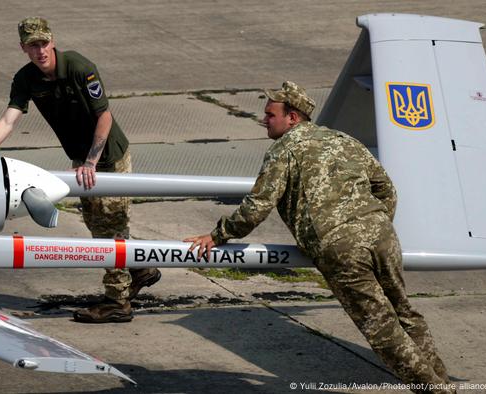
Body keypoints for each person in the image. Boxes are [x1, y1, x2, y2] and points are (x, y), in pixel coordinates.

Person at [184, 81, 453, 393]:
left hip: (340, 247)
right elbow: (386, 188)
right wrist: (373, 222)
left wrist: (218, 235)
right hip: (381, 236)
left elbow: (257, 206)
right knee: (406, 314)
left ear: (293, 118)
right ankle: (442, 382)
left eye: (271, 115)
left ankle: (436, 390)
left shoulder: (283, 151)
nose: (264, 120)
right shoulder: (343, 140)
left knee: (382, 330)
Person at [0, 17, 160, 323]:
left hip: (108, 158)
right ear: (23, 48)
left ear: (52, 42)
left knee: (109, 231)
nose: (40, 51)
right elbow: (9, 119)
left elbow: (104, 115)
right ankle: (140, 269)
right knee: (98, 224)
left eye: (43, 43)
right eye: (32, 45)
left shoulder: (79, 67)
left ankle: (118, 301)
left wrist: (92, 162)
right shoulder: (26, 79)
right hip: (82, 160)